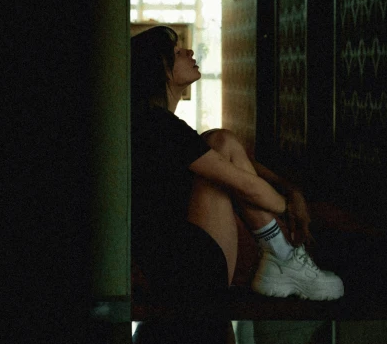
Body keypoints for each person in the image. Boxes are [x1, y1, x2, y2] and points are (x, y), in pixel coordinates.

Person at [131, 25, 343, 308]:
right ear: (160, 69)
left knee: (219, 142)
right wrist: (292, 207)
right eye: (177, 52)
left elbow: (230, 158)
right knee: (222, 143)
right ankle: (284, 256)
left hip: (171, 268)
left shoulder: (154, 123)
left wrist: (289, 189)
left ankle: (281, 256)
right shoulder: (158, 126)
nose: (189, 52)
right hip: (192, 277)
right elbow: (244, 183)